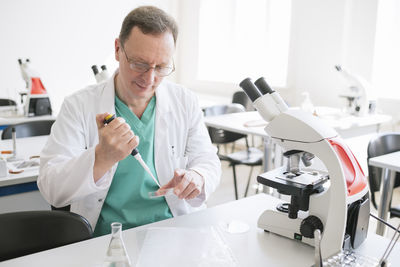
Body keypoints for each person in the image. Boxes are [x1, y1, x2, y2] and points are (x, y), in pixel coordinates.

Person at [37, 6, 221, 236]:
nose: (150, 78)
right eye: (140, 64)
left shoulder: (184, 101)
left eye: (162, 67)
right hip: (109, 237)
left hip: (174, 229)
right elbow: (51, 188)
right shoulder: (78, 106)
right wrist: (101, 158)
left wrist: (198, 176)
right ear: (117, 49)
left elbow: (207, 160)